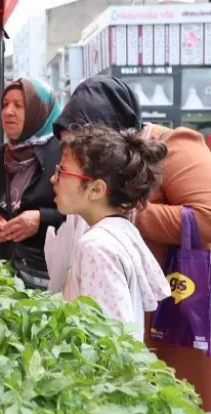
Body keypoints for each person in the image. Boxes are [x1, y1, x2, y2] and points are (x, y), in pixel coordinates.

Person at [52, 74, 211, 409]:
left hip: (182, 310)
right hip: (139, 307)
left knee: (179, 399)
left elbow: (207, 217)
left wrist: (123, 209)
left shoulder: (177, 146)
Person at [51, 123, 170, 341]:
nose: (53, 179)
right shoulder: (121, 230)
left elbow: (110, 343)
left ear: (96, 189)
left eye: (62, 172)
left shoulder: (96, 247)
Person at [0, 77, 64, 290]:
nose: (8, 111)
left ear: (38, 110)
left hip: (48, 278)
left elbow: (79, 215)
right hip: (1, 275)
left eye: (19, 105)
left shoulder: (63, 153)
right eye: (5, 104)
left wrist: (41, 219)